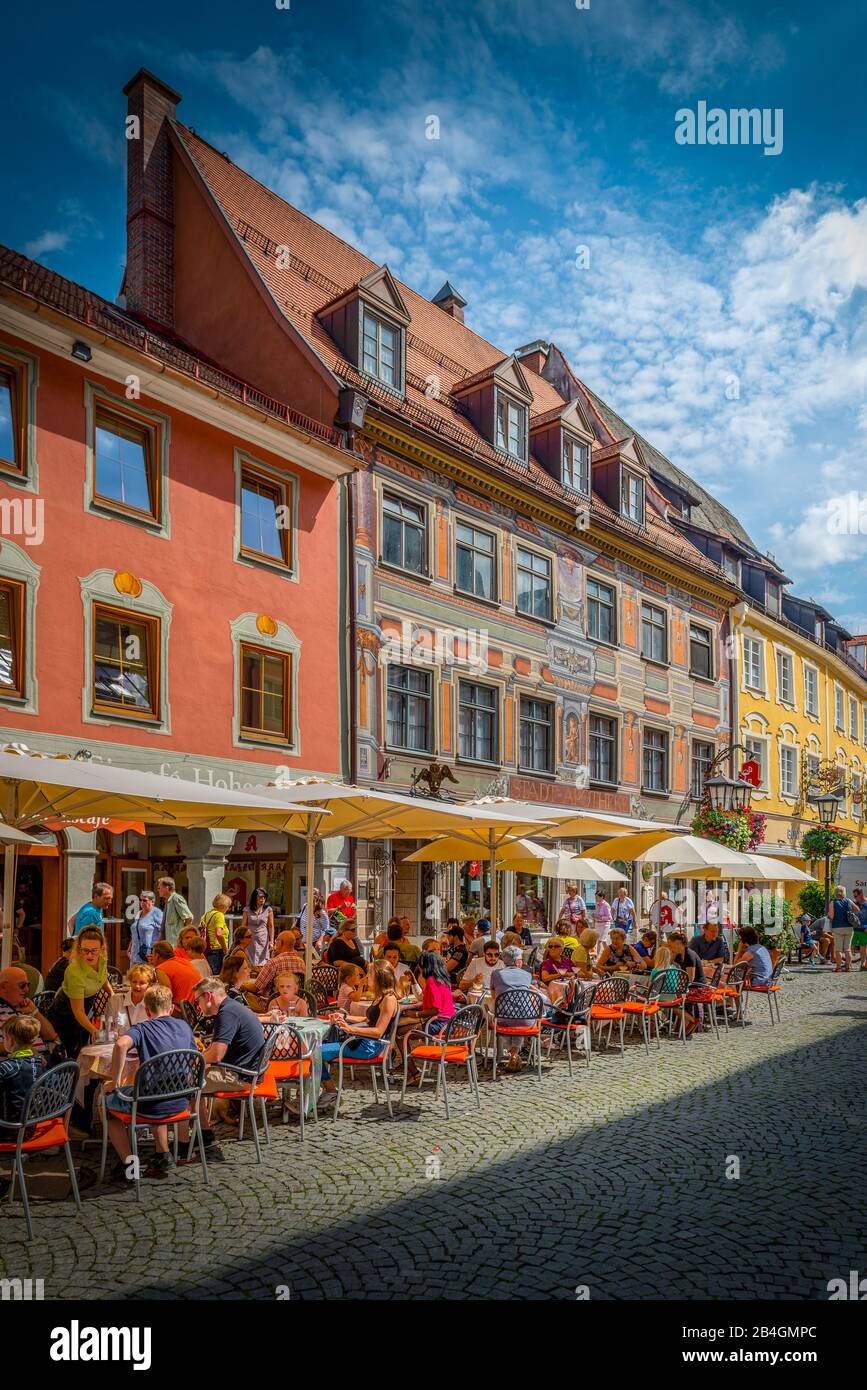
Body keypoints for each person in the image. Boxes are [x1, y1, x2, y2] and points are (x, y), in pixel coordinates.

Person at [101, 983, 199, 1181]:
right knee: (153, 1087)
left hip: (151, 1105)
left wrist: (115, 1081)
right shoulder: (183, 1026)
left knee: (104, 1103)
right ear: (171, 1008)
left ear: (146, 1010)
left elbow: (120, 1045)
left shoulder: (142, 1028)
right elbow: (194, 1057)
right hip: (182, 1101)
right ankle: (162, 1153)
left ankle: (129, 1164)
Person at [189, 976, 268, 1161]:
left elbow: (216, 1054)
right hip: (248, 1070)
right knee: (188, 1079)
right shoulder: (233, 1007)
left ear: (208, 996)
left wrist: (193, 1061)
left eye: (197, 1001)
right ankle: (201, 1134)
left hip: (240, 1076)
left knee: (184, 1084)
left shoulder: (227, 1014)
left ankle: (197, 1141)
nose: (197, 1006)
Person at [319, 960, 398, 1095]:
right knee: (314, 1048)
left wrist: (350, 1029)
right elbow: (368, 1020)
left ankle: (329, 1091)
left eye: (370, 973)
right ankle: (325, 1091)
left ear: (380, 976)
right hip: (362, 1042)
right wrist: (343, 1017)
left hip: (368, 1047)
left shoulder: (389, 999)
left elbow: (378, 1031)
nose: (366, 976)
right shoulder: (380, 997)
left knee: (314, 1053)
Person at [47, 926, 111, 1057]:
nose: (89, 955)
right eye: (85, 950)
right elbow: (78, 1011)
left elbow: (102, 978)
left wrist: (113, 995)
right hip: (65, 1013)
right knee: (70, 1054)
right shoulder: (74, 971)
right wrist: (94, 1031)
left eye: (94, 951)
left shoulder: (102, 959)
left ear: (102, 949)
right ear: (78, 949)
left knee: (85, 1047)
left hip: (86, 1009)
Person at [490, 943, 538, 1072]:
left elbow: (494, 996)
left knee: (503, 1017)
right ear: (517, 961)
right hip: (526, 1019)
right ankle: (514, 1054)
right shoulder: (527, 974)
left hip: (503, 1019)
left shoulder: (496, 974)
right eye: (521, 959)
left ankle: (511, 1052)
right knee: (520, 1015)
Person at [0, 1013, 45, 1130]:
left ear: (10, 1041)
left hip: (9, 1129)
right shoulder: (39, 1062)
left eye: (4, 1037)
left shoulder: (6, 1068)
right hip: (32, 1125)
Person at [0, 966, 58, 1052]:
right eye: (22, 985)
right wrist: (27, 1052)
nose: (27, 990)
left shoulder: (25, 1006)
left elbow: (52, 1037)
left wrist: (34, 1012)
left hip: (44, 1059)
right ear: (4, 986)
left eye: (28, 985)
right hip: (21, 1062)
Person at [247, 931, 306, 1009]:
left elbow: (256, 988)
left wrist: (241, 985)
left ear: (281, 943)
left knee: (246, 996)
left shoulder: (274, 963)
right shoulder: (301, 962)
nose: (275, 944)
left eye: (276, 941)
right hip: (295, 1004)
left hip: (272, 1005)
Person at [149, 941, 200, 1005]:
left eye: (152, 954)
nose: (151, 957)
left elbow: (166, 995)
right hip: (197, 1006)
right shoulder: (183, 961)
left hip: (183, 1009)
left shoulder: (161, 969)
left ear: (156, 955)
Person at [128, 890, 164, 965]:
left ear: (152, 902)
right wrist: (130, 947)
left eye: (145, 900)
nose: (142, 902)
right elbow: (135, 931)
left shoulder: (157, 913)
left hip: (148, 955)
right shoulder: (139, 913)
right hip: (135, 953)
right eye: (140, 900)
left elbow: (162, 932)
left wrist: (156, 952)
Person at [157, 877, 194, 949]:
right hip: (168, 945)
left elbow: (188, 917)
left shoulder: (176, 899)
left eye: (159, 888)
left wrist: (185, 939)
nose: (158, 890)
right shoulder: (167, 901)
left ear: (167, 888)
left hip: (176, 945)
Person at [539, 936, 578, 1002]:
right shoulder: (547, 963)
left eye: (556, 946)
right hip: (555, 992)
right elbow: (544, 978)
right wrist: (560, 974)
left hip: (571, 988)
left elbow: (577, 972)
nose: (553, 948)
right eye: (550, 946)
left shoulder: (567, 960)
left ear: (562, 949)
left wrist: (570, 974)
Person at [242, 887, 274, 967]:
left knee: (263, 960)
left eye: (264, 897)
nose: (262, 899)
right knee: (250, 959)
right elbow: (243, 926)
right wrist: (242, 939)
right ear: (254, 898)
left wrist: (271, 941)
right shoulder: (247, 910)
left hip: (263, 937)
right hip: (250, 937)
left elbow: (270, 926)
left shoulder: (268, 909)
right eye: (260, 897)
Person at [200, 893, 231, 975]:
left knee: (209, 974)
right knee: (216, 976)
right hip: (217, 950)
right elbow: (219, 934)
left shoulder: (206, 915)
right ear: (223, 906)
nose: (228, 908)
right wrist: (225, 949)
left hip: (208, 949)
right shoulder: (219, 915)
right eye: (228, 906)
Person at [828, 885, 856, 973]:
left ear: (835, 892)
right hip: (849, 927)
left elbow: (831, 916)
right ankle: (848, 967)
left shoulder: (833, 902)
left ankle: (838, 968)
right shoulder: (848, 900)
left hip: (837, 927)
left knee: (838, 949)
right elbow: (857, 909)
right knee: (847, 949)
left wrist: (830, 915)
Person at [851, 888, 867, 970]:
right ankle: (861, 964)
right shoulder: (855, 903)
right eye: (854, 896)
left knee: (864, 947)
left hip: (865, 929)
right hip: (856, 929)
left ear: (861, 894)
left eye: (856, 896)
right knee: (859, 947)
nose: (854, 897)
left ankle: (864, 964)